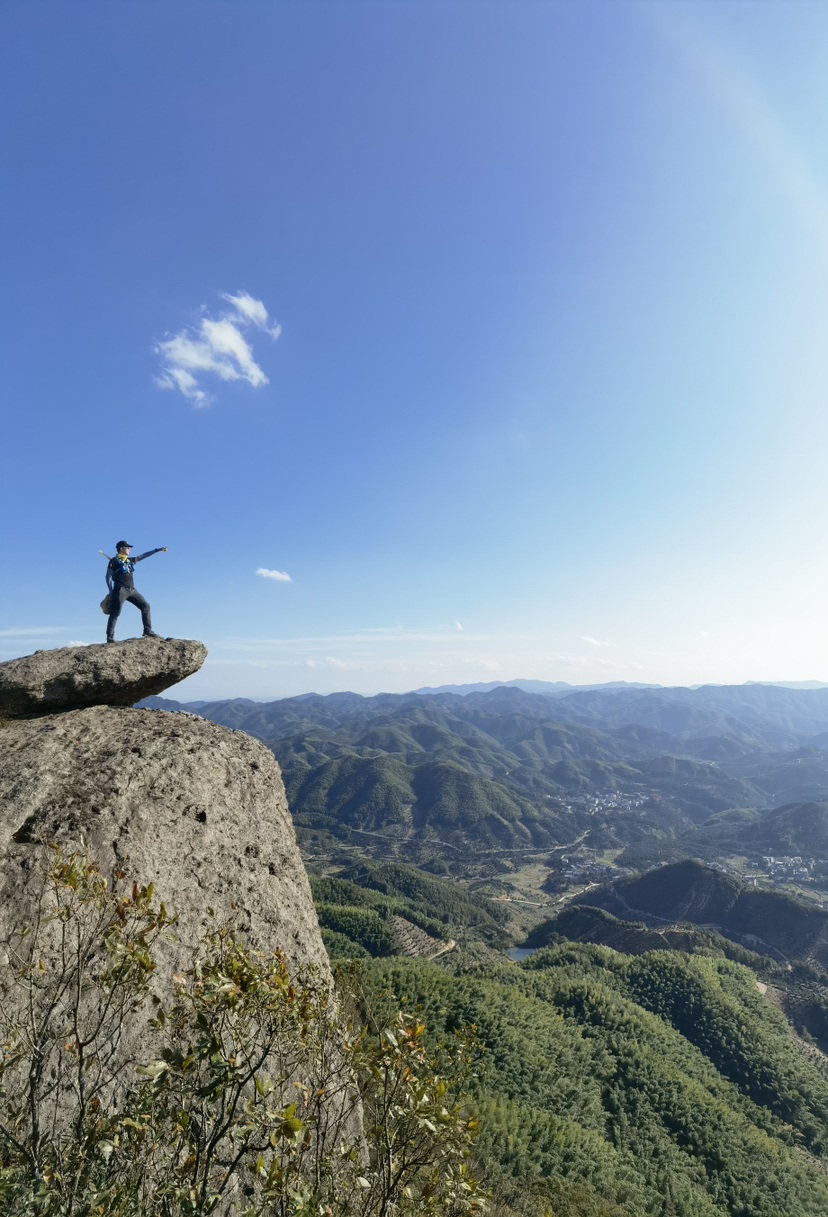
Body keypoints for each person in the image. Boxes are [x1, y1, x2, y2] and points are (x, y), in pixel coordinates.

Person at [105, 541, 168, 643]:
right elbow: (108, 577)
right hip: (120, 589)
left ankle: (147, 631)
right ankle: (110, 637)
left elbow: (143, 556)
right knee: (115, 613)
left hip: (132, 590)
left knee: (146, 606)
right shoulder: (114, 561)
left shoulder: (130, 560)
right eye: (128, 548)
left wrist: (158, 550)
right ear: (121, 549)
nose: (129, 549)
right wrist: (111, 592)